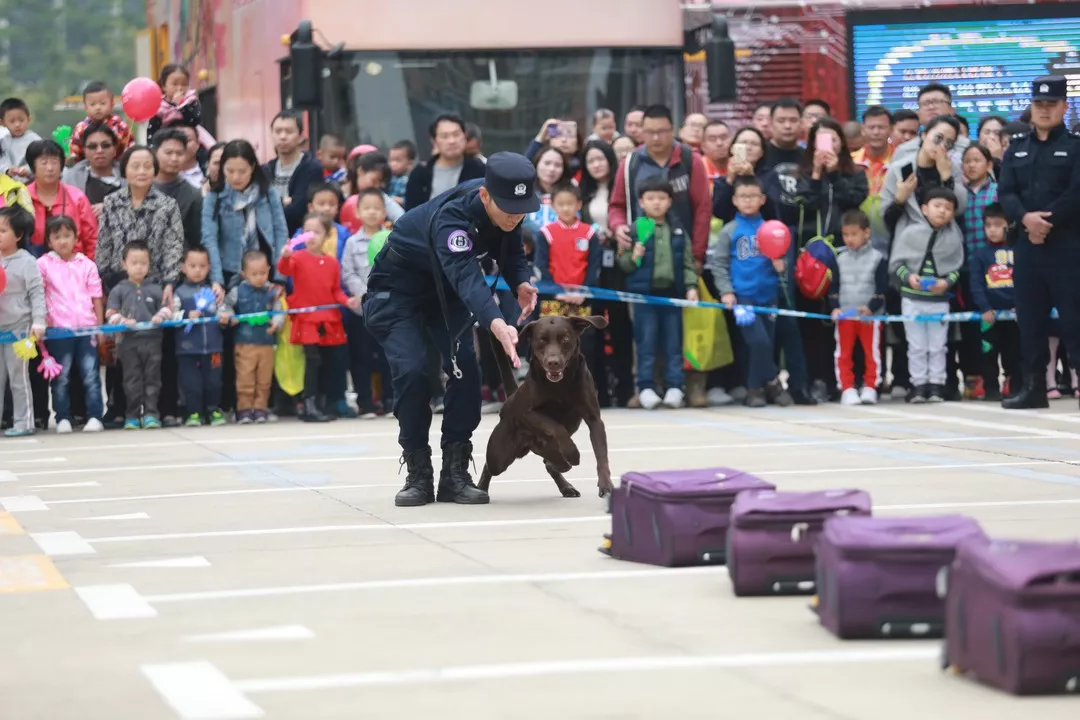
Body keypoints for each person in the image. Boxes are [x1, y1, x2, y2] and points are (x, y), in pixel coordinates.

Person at [362, 152, 539, 507]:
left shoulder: (506, 209)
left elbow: (510, 246)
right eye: (509, 209)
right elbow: (468, 280)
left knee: (465, 368)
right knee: (412, 370)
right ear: (485, 196)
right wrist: (496, 322)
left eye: (521, 210)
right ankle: (418, 471)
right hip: (398, 291)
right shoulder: (453, 220)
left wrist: (520, 281)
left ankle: (455, 473)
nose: (515, 216)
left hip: (445, 291)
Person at [999, 76, 1080, 410]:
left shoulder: (1075, 146)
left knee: (1074, 318)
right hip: (1028, 247)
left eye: (1051, 104)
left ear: (1064, 107)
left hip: (1066, 245)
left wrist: (1045, 223)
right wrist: (1025, 219)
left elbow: (1076, 193)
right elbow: (1006, 192)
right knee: (1030, 319)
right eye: (1039, 104)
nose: (1044, 110)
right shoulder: (1017, 148)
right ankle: (1033, 387)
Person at [616, 176, 698, 410]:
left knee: (673, 343)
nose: (656, 203)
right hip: (643, 297)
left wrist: (691, 286)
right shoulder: (634, 230)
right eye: (651, 198)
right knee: (646, 343)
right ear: (641, 202)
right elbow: (624, 265)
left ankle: (675, 387)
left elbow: (688, 262)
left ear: (670, 201)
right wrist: (634, 256)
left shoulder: (678, 230)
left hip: (672, 296)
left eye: (662, 198)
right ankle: (645, 387)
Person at [709, 175, 788, 408]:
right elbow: (719, 264)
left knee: (766, 342)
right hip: (743, 296)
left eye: (753, 196)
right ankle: (772, 381)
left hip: (769, 294)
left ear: (762, 199)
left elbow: (783, 258)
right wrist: (726, 291)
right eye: (743, 196)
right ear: (734, 200)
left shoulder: (772, 229)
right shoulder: (729, 230)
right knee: (758, 341)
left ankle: (755, 390)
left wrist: (781, 266)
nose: (748, 201)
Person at [278, 213, 359, 422]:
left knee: (328, 360)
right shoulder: (297, 257)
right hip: (307, 319)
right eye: (307, 231)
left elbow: (335, 291)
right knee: (312, 359)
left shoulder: (332, 263)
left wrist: (347, 301)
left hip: (328, 318)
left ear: (327, 235)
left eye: (317, 232)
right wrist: (285, 256)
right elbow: (284, 269)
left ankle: (324, 403)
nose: (311, 236)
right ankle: (309, 404)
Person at [889, 186, 964, 404]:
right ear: (924, 209)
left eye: (948, 208)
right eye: (937, 206)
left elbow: (956, 268)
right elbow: (897, 264)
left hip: (939, 301)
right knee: (917, 345)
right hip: (912, 299)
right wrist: (909, 277)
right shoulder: (909, 233)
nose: (942, 211)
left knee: (938, 345)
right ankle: (919, 384)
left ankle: (936, 385)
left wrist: (946, 283)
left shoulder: (953, 237)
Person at [36, 215, 106, 433]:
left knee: (91, 376)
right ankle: (62, 418)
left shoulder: (87, 265)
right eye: (57, 237)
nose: (63, 241)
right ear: (49, 241)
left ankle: (95, 416)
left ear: (76, 238)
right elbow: (38, 295)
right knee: (61, 378)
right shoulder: (43, 265)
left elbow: (97, 298)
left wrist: (100, 328)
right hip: (58, 332)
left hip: (87, 330)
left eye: (67, 236)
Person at [105, 240, 171, 429]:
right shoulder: (118, 290)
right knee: (131, 381)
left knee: (153, 380)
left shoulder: (156, 288)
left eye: (143, 263)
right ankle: (132, 415)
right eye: (134, 263)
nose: (139, 267)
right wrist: (123, 321)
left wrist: (160, 316)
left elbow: (168, 309)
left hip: (153, 343)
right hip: (128, 345)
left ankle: (151, 414)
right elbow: (110, 314)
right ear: (124, 264)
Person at [828, 210, 888, 406]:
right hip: (845, 315)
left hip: (870, 317)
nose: (849, 239)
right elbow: (834, 287)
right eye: (845, 234)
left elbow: (882, 288)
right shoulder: (839, 258)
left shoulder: (878, 258)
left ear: (866, 232)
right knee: (843, 354)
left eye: (854, 234)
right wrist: (835, 307)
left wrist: (872, 307)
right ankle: (847, 388)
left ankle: (871, 387)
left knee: (872, 353)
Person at [342, 188, 392, 418]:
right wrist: (365, 294)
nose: (372, 212)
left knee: (389, 356)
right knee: (361, 357)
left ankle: (391, 401)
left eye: (377, 208)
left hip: (389, 309)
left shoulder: (392, 238)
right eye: (367, 208)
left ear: (385, 212)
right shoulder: (352, 242)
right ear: (357, 212)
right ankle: (365, 403)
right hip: (361, 311)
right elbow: (348, 273)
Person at [221, 250, 284, 424]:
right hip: (244, 343)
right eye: (254, 274)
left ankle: (261, 409)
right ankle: (244, 410)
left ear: (269, 270)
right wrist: (229, 316)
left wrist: (277, 323)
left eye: (263, 273)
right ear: (244, 274)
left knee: (264, 380)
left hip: (266, 343)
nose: (259, 277)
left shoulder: (272, 291)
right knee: (245, 378)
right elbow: (225, 306)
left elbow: (279, 310)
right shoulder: (237, 291)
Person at [0, 206, 44, 437]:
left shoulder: (27, 261)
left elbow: (37, 292)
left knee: (18, 377)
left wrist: (39, 321)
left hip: (19, 327)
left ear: (18, 235)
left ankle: (24, 422)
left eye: (2, 230)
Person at [969, 202, 1019, 401]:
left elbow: (1025, 280)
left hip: (1014, 315)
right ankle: (990, 388)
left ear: (1009, 225)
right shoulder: (980, 255)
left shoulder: (1018, 251)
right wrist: (984, 307)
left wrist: (1020, 305)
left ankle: (1014, 387)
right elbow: (976, 284)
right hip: (989, 316)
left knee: (1013, 352)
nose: (992, 230)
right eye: (988, 225)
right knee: (988, 352)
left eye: (997, 225)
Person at [404, 113, 486, 211]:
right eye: (444, 136)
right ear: (434, 141)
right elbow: (411, 212)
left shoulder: (480, 170)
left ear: (464, 136)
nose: (452, 141)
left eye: (456, 134)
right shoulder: (420, 174)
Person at [262, 110, 324, 234]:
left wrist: (274, 204)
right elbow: (259, 207)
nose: (283, 137)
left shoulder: (312, 168)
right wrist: (283, 202)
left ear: (300, 136)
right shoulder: (264, 170)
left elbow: (298, 211)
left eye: (289, 131)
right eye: (278, 131)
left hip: (300, 237)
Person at [69, 81, 133, 163]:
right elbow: (74, 150)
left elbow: (130, 146)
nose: (98, 107)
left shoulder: (119, 125)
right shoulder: (81, 128)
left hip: (116, 166)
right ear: (85, 107)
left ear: (112, 105)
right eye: (92, 104)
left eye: (102, 103)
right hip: (88, 166)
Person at [0, 98, 42, 180]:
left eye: (21, 120)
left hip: (30, 182)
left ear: (29, 119)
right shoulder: (2, 142)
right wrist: (7, 170)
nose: (17, 124)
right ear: (2, 123)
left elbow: (41, 160)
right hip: (8, 184)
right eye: (12, 121)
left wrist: (28, 170)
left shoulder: (35, 140)